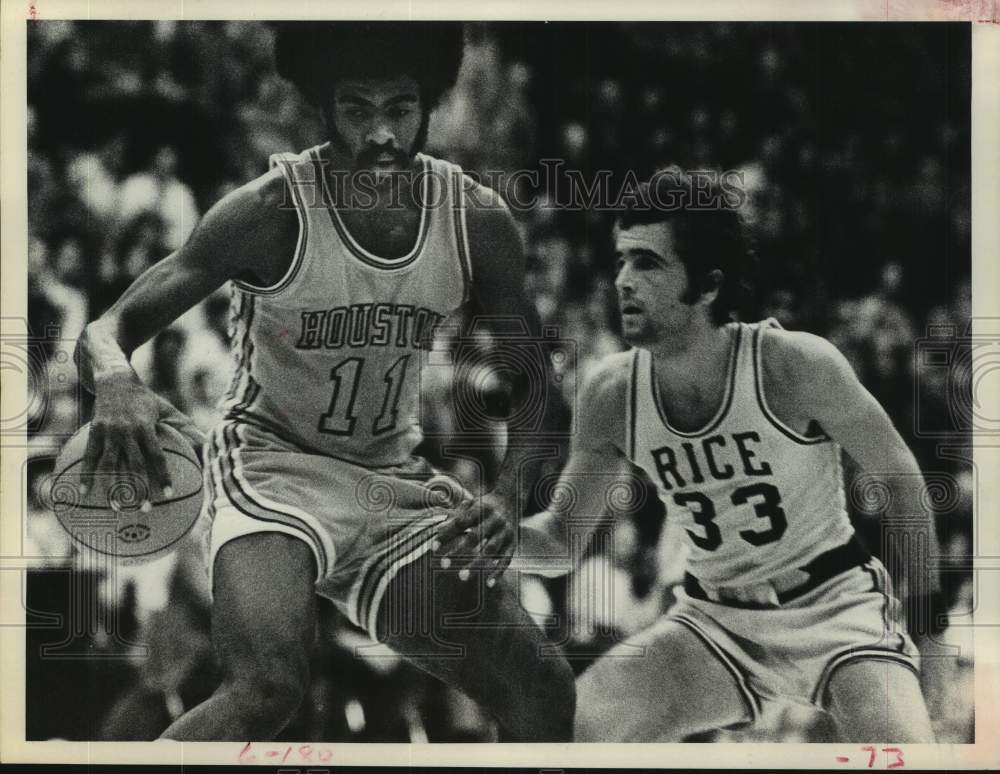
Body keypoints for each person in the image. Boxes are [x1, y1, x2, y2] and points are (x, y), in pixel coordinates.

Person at [74, 21, 574, 741]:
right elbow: (106, 328)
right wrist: (117, 381)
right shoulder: (271, 211)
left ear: (429, 105)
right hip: (271, 464)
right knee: (269, 686)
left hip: (386, 477)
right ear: (323, 110)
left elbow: (537, 388)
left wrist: (505, 492)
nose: (380, 133)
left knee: (543, 687)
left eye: (399, 108)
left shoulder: (474, 220)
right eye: (356, 110)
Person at [514, 171, 939, 742]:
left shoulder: (792, 365)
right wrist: (495, 538)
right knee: (564, 733)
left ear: (709, 285)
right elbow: (562, 539)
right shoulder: (610, 393)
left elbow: (902, 480)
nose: (622, 281)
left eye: (647, 263)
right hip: (714, 622)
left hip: (834, 609)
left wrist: (930, 632)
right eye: (620, 261)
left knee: (906, 756)